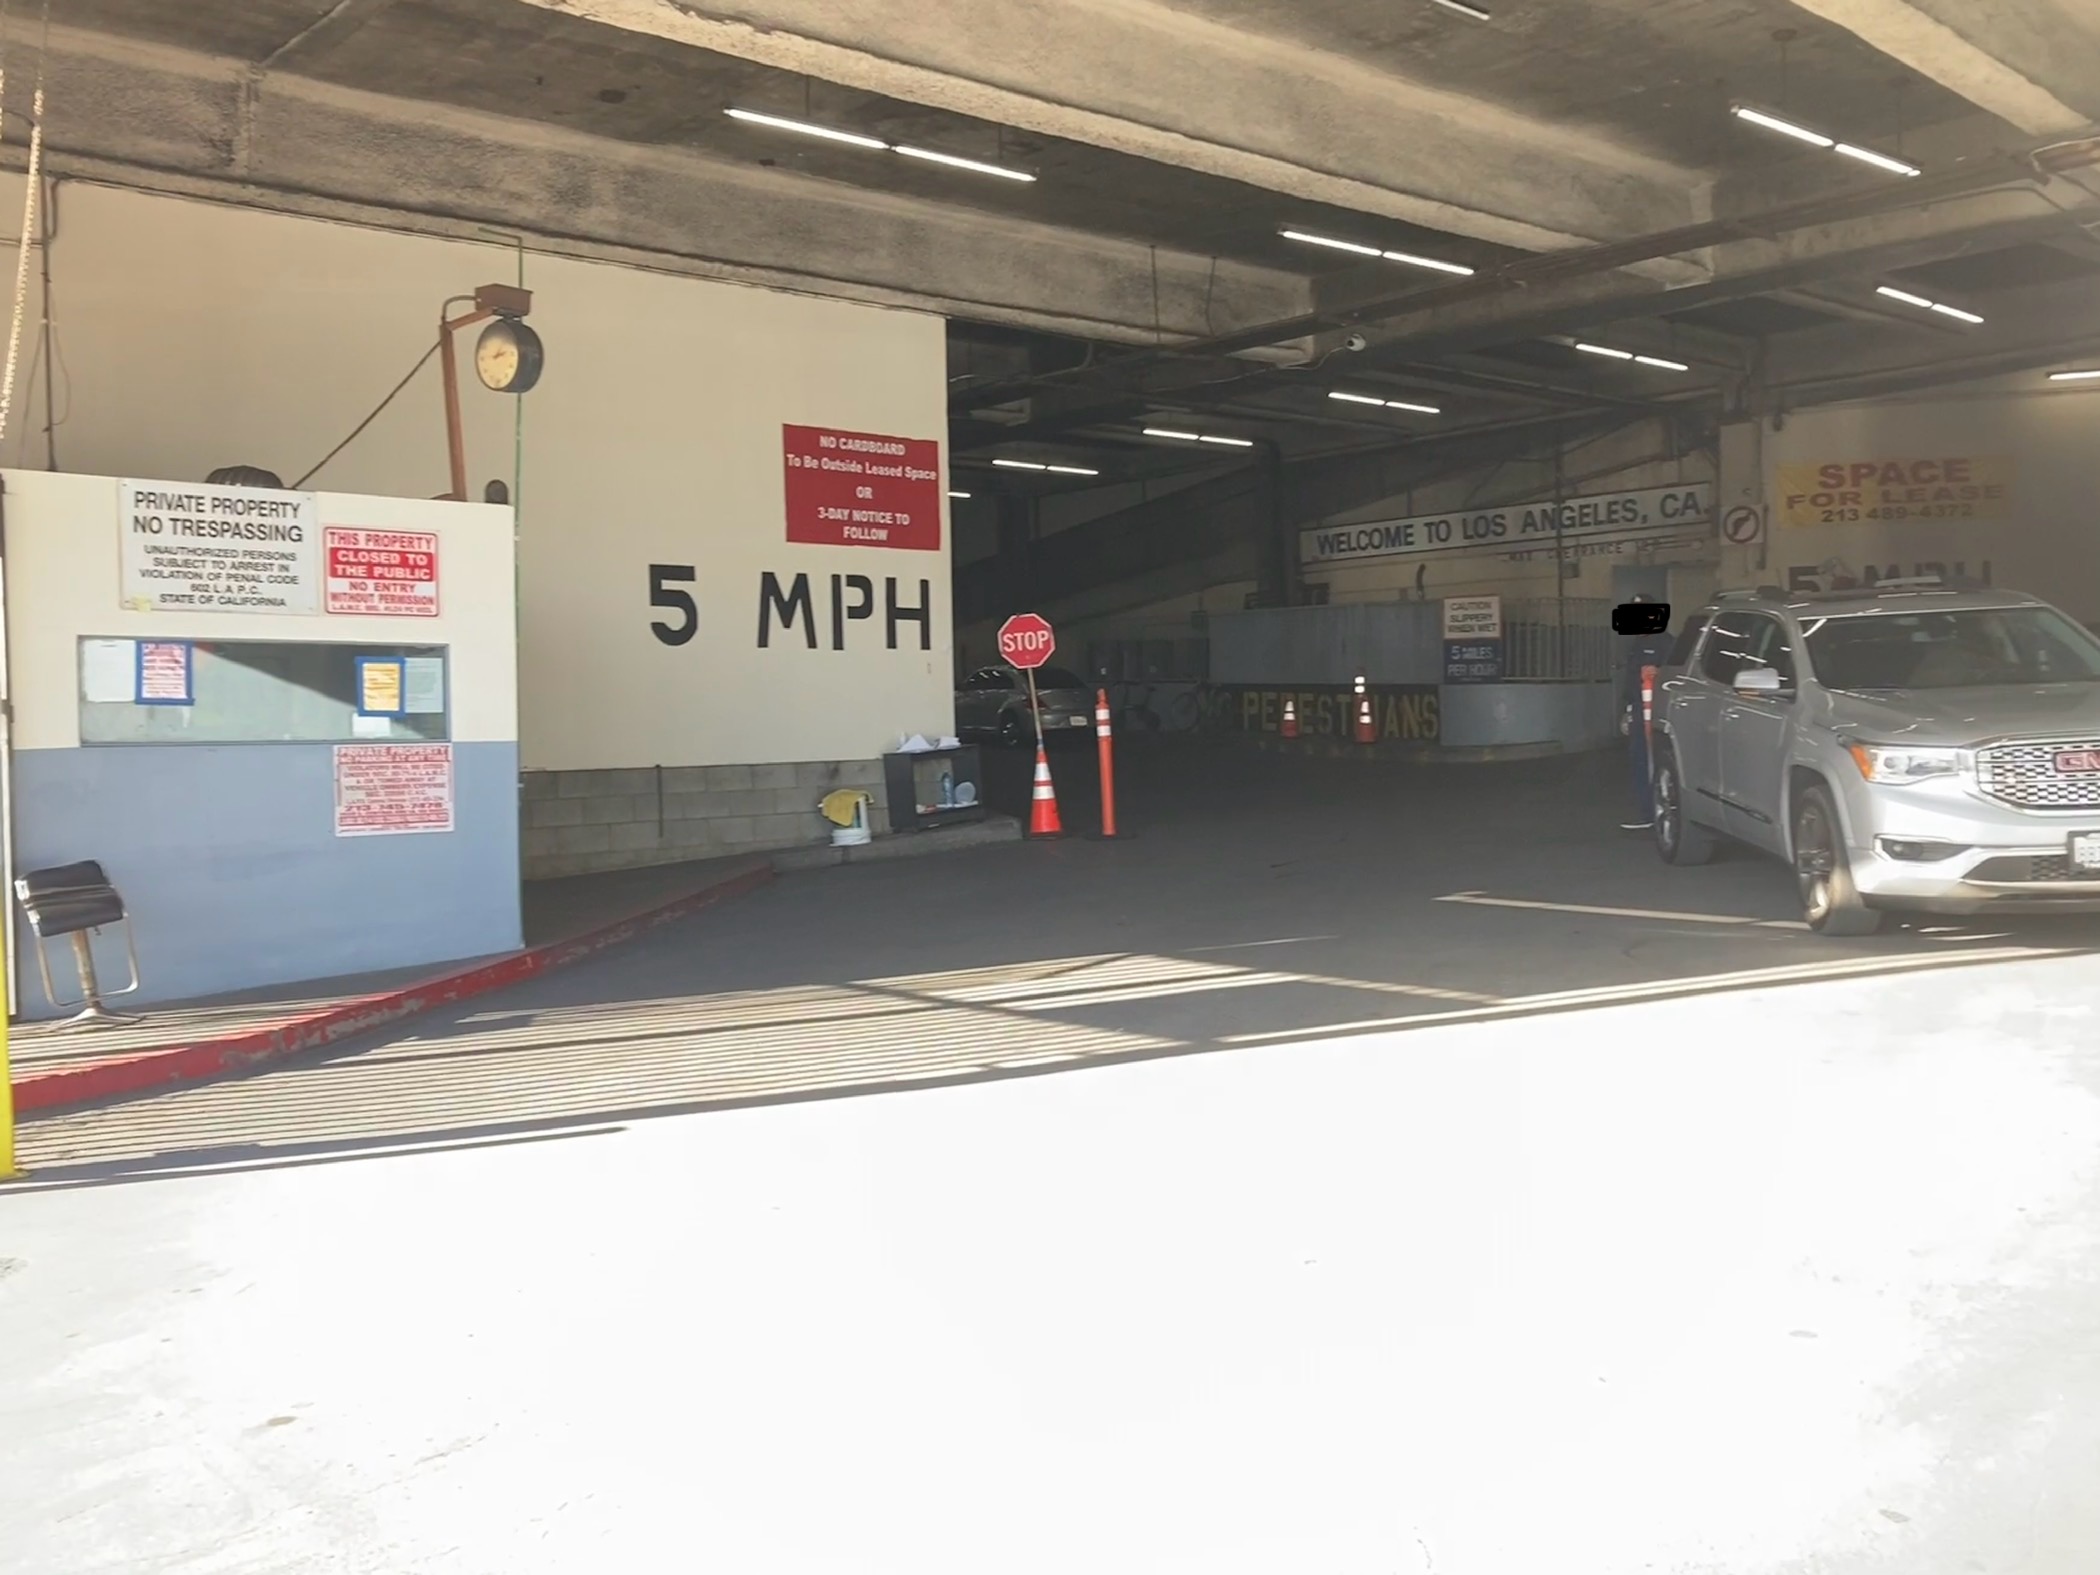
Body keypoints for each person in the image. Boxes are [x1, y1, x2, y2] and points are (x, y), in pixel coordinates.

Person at [1618, 595, 1674, 830]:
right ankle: (1646, 812)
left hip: (1657, 714)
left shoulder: (1667, 643)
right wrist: (1628, 712)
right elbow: (1631, 684)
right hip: (1640, 711)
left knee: (1655, 762)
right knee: (1640, 761)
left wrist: (1659, 671)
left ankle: (1657, 812)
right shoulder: (1637, 645)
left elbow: (1675, 677)